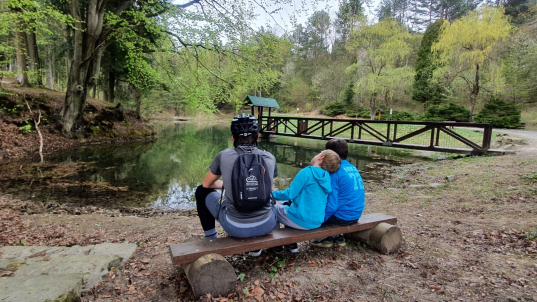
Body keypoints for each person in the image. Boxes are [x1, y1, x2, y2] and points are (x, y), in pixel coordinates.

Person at [194, 113, 278, 244]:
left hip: (235, 227)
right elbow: (265, 184)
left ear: (233, 137)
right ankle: (260, 249)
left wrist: (228, 184)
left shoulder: (224, 155)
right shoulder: (269, 158)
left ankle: (211, 239)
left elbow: (206, 184)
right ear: (258, 137)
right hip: (266, 224)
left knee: (200, 191)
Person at [271, 149, 341, 252]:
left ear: (320, 158)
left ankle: (276, 245)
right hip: (316, 222)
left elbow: (290, 194)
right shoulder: (326, 177)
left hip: (302, 220)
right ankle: (292, 245)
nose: (316, 154)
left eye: (318, 153)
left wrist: (271, 194)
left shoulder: (307, 172)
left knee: (274, 209)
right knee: (287, 208)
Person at [312, 138, 365, 248]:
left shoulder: (334, 172)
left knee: (316, 205)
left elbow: (331, 206)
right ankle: (338, 237)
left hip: (342, 217)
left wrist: (319, 220)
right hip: (356, 215)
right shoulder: (352, 167)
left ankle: (326, 237)